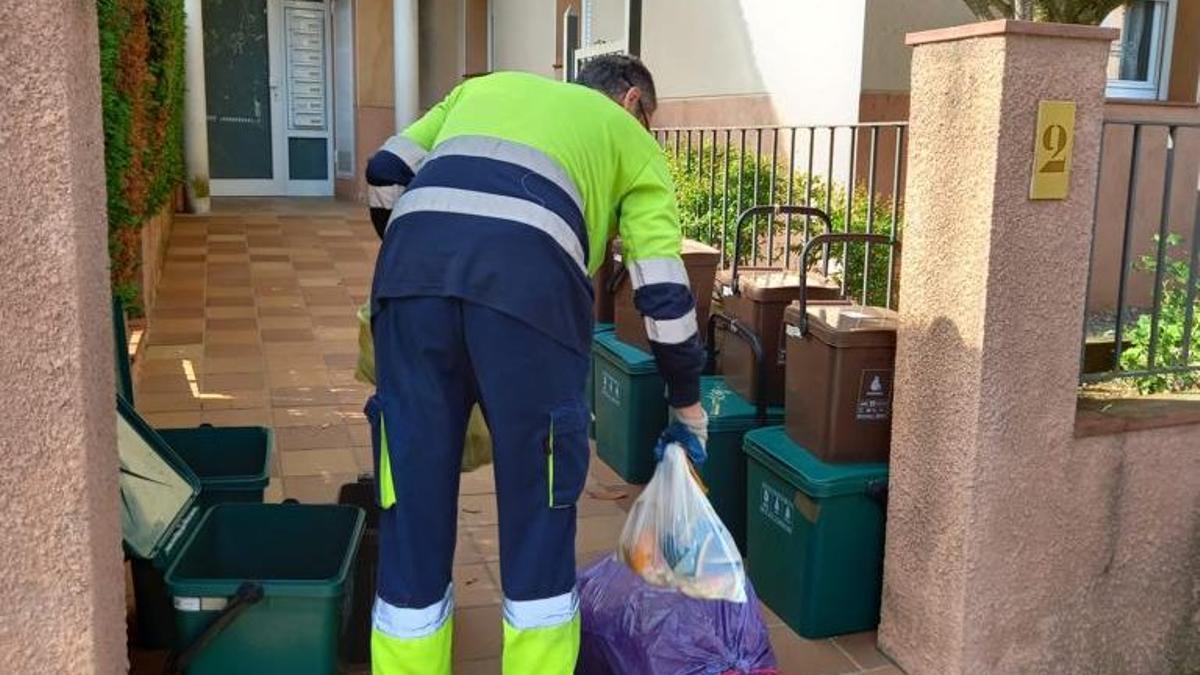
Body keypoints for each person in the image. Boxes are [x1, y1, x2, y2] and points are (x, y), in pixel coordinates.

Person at [364, 54, 709, 675]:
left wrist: (426, 259)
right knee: (538, 508)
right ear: (633, 102)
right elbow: (660, 288)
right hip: (532, 301)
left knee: (411, 505)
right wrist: (687, 401)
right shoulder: (629, 137)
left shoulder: (483, 90)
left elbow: (385, 172)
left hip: (410, 283)